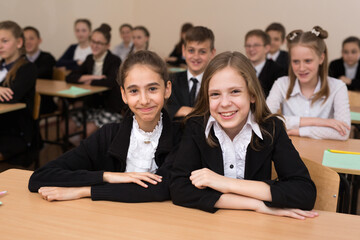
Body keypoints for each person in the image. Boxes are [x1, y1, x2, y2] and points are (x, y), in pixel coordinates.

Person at [170, 51, 317, 219]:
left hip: (254, 228)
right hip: (209, 225)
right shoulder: (195, 126)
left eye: (235, 91)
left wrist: (225, 183)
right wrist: (256, 205)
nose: (224, 103)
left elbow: (304, 193)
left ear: (252, 94)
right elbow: (179, 188)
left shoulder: (271, 128)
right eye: (215, 94)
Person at [28, 50, 174, 203]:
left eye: (152, 89)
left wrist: (86, 190)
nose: (144, 100)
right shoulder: (108, 134)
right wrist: (108, 175)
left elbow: (161, 188)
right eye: (134, 91)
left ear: (167, 89)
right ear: (123, 95)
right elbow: (40, 177)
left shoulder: (181, 134)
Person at [266, 26, 351, 140]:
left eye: (308, 61)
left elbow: (344, 132)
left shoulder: (338, 87)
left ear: (321, 58)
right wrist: (318, 122)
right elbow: (265, 120)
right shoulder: (281, 84)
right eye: (296, 61)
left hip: (322, 153)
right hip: (289, 151)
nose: (301, 68)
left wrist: (300, 131)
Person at [66, 23, 123, 137]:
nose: (94, 45)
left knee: (86, 132)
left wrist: (90, 82)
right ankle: (81, 152)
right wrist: (93, 77)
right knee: (66, 126)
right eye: (93, 41)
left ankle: (86, 152)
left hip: (109, 108)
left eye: (99, 43)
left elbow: (110, 81)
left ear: (107, 45)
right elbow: (70, 77)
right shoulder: (89, 59)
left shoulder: (114, 60)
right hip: (92, 106)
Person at [0, 20, 38, 166]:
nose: (0, 46)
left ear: (19, 42)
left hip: (16, 132)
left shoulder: (27, 68)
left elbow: (10, 96)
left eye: (4, 41)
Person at [166, 26, 216, 120]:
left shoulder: (215, 83)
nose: (196, 57)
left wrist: (189, 111)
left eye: (202, 52)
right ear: (184, 51)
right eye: (191, 50)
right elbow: (163, 107)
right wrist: (182, 110)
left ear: (212, 53)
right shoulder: (171, 80)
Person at [23, 26, 57, 114]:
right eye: (25, 39)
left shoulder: (47, 58)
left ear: (39, 40)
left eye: (31, 38)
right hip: (24, 99)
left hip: (43, 102)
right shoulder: (20, 59)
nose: (28, 42)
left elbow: (36, 74)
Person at [245, 29, 286, 97]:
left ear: (267, 48)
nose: (251, 49)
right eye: (248, 45)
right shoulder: (240, 69)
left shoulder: (279, 72)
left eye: (256, 45)